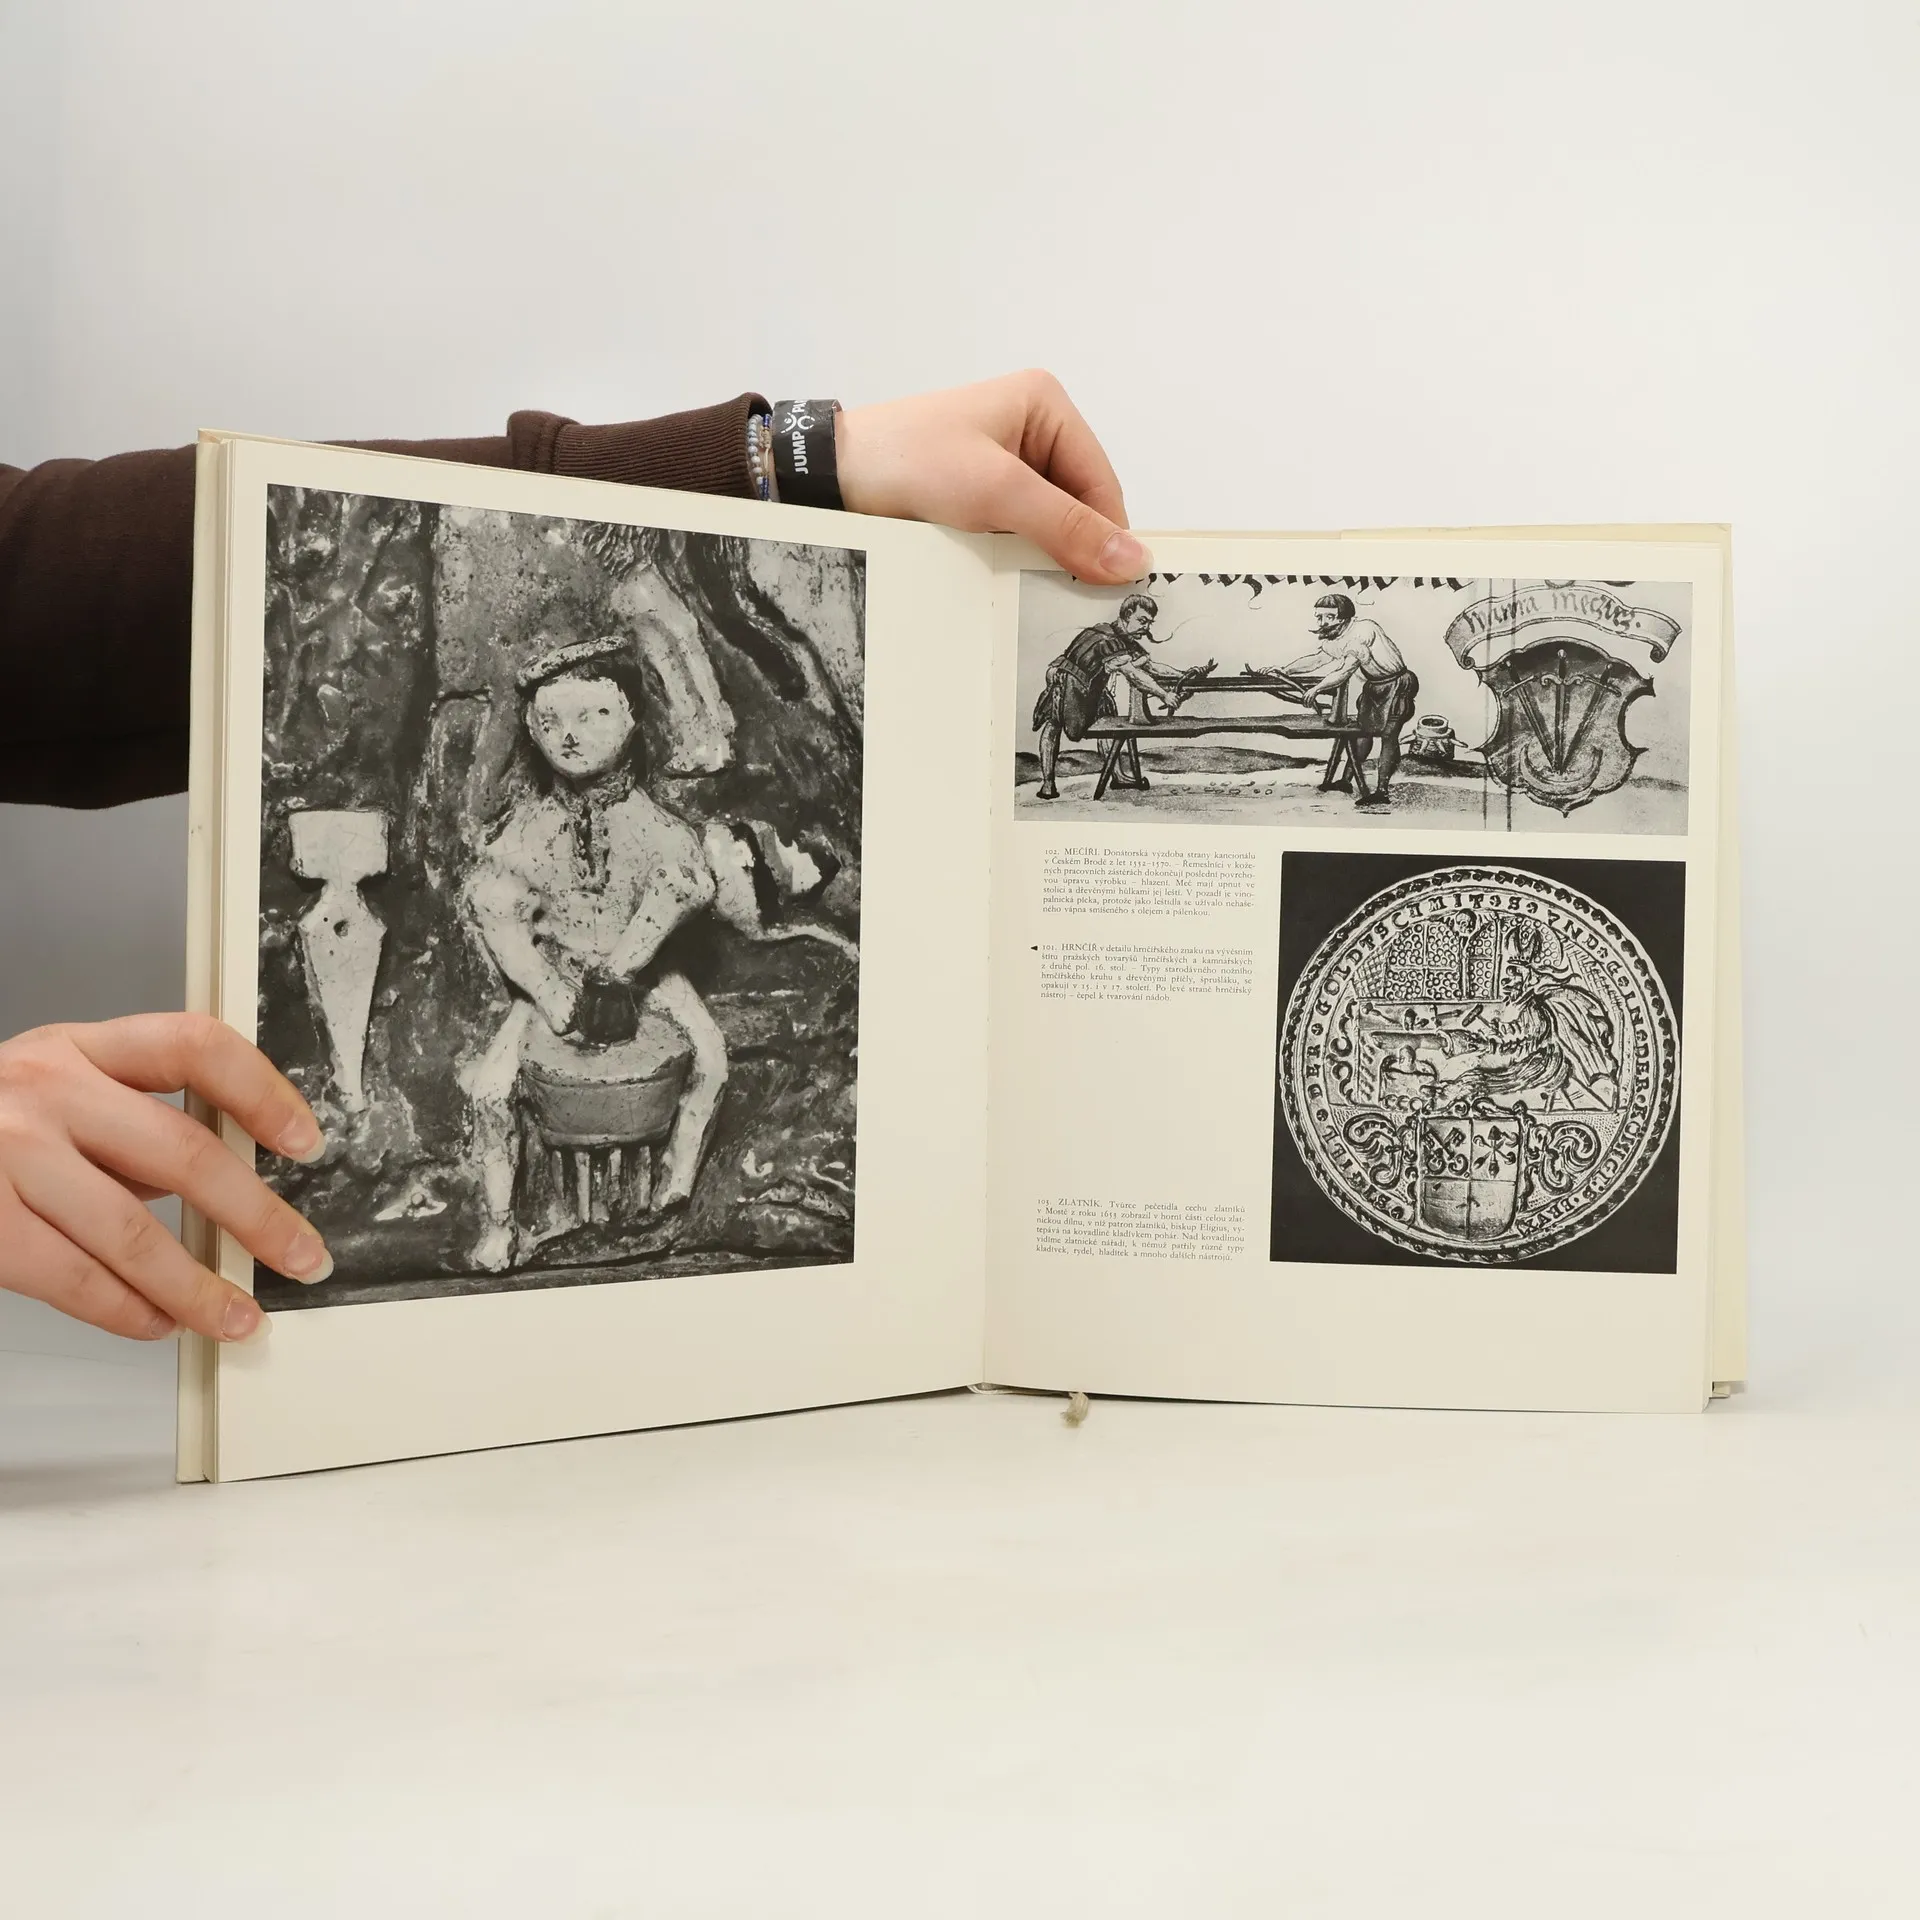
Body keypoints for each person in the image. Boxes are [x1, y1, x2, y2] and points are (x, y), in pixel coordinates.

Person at [0, 371, 1148, 1345]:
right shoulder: (526, 829)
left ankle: (676, 1187)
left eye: (594, 715)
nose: (571, 735)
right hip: (555, 996)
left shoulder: (659, 822)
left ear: (634, 720)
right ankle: (501, 1224)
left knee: (705, 1059)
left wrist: (780, 464)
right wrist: (556, 992)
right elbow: (497, 905)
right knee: (491, 1084)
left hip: (646, 984)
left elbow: (689, 887)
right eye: (552, 720)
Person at [1031, 593, 1193, 799]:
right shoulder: (1108, 638)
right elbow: (1133, 674)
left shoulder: (1124, 639)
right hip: (1066, 681)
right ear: (1127, 614)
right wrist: (1164, 695)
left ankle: (1118, 776)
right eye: (1142, 621)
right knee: (1054, 724)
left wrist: (1183, 675)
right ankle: (1048, 784)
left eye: (1149, 623)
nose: (1146, 627)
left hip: (1093, 685)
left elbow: (1151, 667)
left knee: (1108, 722)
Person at [1280, 593, 1419, 807]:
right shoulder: (1336, 638)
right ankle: (1345, 781)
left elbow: (1345, 671)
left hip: (1397, 685)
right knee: (1362, 733)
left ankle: (1382, 791)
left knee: (1389, 736)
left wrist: (1317, 689)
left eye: (1329, 617)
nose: (1323, 622)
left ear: (1345, 618)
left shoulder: (1362, 632)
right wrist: (1284, 670)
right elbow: (1317, 660)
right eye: (1319, 617)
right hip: (1373, 686)